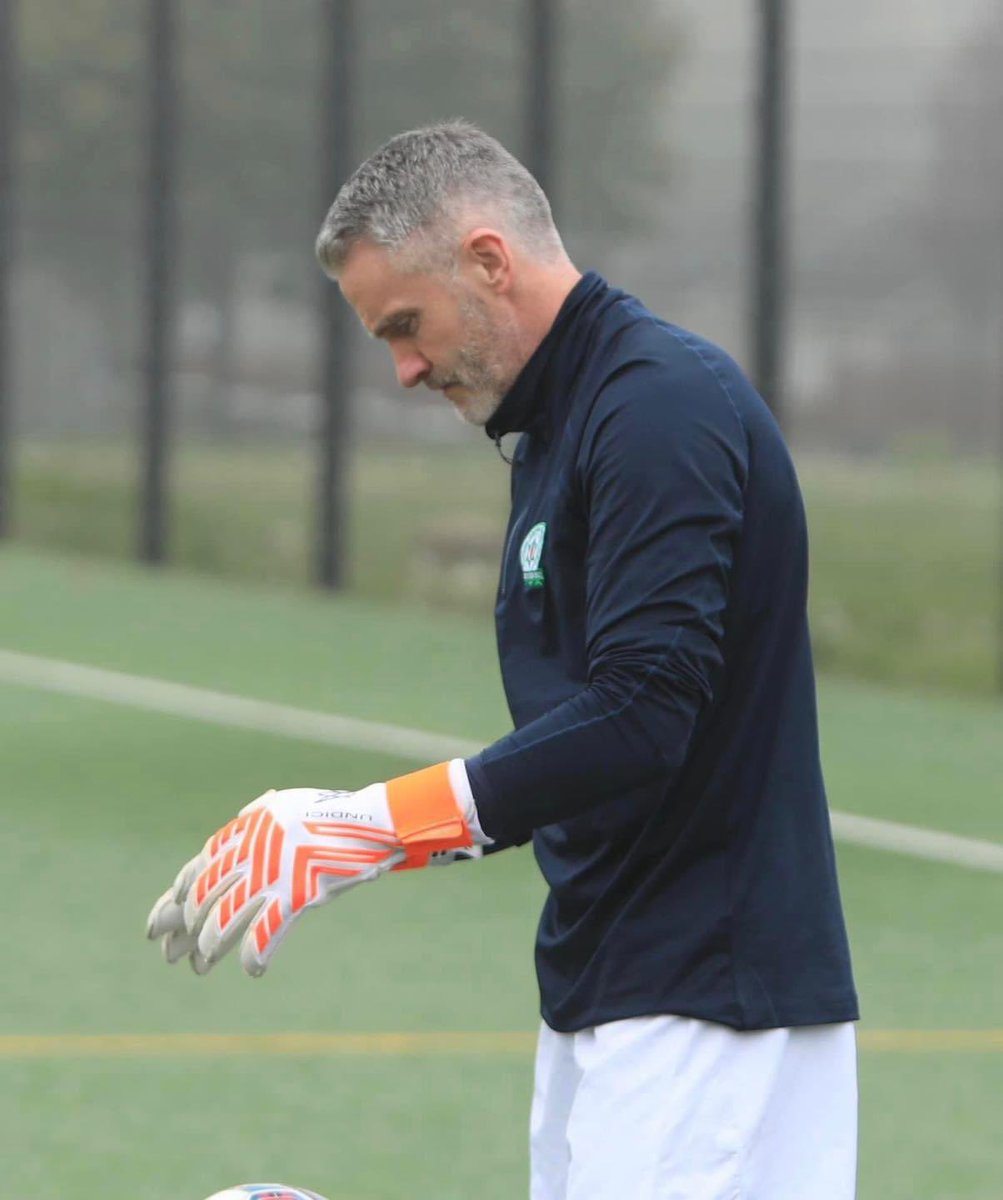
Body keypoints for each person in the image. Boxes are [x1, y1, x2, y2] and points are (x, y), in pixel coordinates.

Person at [147, 120, 858, 1200]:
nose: (402, 369)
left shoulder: (658, 404)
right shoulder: (561, 425)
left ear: (488, 260)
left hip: (710, 1002)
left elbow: (641, 714)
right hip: (609, 983)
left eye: (406, 325)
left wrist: (366, 826)